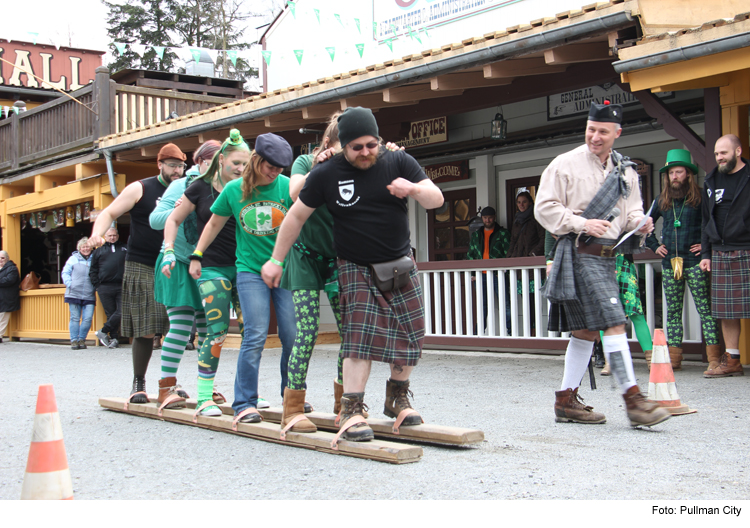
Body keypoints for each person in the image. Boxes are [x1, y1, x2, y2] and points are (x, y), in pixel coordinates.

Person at [262, 107, 444, 441]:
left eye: (371, 145)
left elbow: (436, 199)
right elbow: (295, 216)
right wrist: (276, 259)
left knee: (412, 334)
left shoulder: (398, 161)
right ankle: (351, 409)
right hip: (355, 266)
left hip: (399, 262)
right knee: (358, 340)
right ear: (343, 145)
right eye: (357, 147)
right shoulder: (327, 173)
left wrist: (414, 189)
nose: (365, 152)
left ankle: (397, 397)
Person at [535, 101, 670, 428]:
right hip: (579, 252)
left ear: (616, 134)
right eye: (591, 129)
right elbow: (544, 208)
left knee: (584, 331)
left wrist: (641, 224)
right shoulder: (564, 164)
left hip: (610, 255)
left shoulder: (626, 171)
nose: (595, 136)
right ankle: (634, 400)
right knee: (613, 322)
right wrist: (581, 223)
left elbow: (632, 212)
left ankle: (565, 400)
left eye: (603, 132)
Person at [191, 132, 295, 425]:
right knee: (255, 334)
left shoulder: (288, 187)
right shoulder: (234, 191)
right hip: (249, 271)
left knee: (292, 336)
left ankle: (292, 398)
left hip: (285, 271)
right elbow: (213, 224)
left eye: (280, 167)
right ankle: (245, 402)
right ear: (256, 160)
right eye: (270, 165)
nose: (275, 172)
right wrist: (198, 253)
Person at [89, 143, 185, 403]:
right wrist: (96, 234)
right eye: (172, 166)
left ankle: (170, 383)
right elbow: (109, 211)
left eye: (181, 166)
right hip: (142, 262)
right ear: (159, 164)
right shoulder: (140, 188)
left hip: (175, 262)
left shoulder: (188, 187)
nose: (177, 171)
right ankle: (138, 383)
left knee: (178, 325)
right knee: (145, 327)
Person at [164, 131, 249, 417]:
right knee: (217, 332)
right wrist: (168, 252)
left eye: (246, 164)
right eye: (237, 163)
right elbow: (173, 219)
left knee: (252, 331)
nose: (241, 169)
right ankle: (203, 398)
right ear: (221, 159)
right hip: (211, 266)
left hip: (244, 266)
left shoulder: (249, 186)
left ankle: (247, 397)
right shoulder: (199, 187)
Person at [282, 113, 345, 433]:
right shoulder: (306, 162)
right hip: (305, 258)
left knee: (350, 332)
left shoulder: (354, 164)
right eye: (342, 148)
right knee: (306, 333)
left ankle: (344, 404)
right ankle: (292, 408)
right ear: (327, 145)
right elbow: (294, 193)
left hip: (337, 260)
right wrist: (319, 167)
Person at [149, 143, 220, 410]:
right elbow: (156, 220)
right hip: (177, 262)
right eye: (212, 160)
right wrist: (180, 208)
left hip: (206, 264)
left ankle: (206, 387)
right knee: (180, 327)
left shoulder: (225, 186)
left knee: (209, 329)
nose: (218, 166)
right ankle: (166, 387)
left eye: (221, 160)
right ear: (200, 162)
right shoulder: (182, 185)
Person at [647, 149, 720, 373]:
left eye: (679, 172)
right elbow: (644, 225)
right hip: (670, 263)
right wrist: (654, 245)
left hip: (695, 262)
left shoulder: (700, 196)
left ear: (688, 174)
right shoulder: (660, 200)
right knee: (673, 312)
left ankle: (714, 359)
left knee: (704, 310)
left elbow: (711, 223)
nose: (675, 177)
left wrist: (704, 245)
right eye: (671, 173)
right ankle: (675, 358)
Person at [699, 134, 749, 378]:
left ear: (738, 151)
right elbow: (706, 220)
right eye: (717, 154)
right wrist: (706, 252)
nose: (719, 158)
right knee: (727, 310)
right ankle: (732, 359)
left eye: (724, 153)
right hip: (720, 251)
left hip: (747, 247)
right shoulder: (711, 180)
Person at [507, 189, 545, 335]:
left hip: (532, 267)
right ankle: (528, 331)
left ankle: (535, 331)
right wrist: (509, 259)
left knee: (533, 301)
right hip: (519, 268)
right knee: (525, 302)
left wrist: (533, 253)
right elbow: (513, 241)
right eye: (519, 202)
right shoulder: (517, 220)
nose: (521, 205)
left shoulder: (536, 218)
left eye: (524, 202)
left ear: (530, 203)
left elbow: (543, 239)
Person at [466, 206, 510, 333]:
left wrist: (502, 271)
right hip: (480, 276)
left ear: (494, 217)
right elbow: (471, 255)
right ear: (482, 219)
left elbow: (508, 254)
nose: (488, 220)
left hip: (497, 274)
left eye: (490, 217)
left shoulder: (503, 233)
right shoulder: (476, 235)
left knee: (505, 304)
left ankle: (511, 331)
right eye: (485, 218)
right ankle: (478, 333)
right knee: (482, 305)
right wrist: (473, 274)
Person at [90, 227, 126, 348]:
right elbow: (93, 270)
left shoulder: (125, 248)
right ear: (105, 237)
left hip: (121, 285)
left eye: (114, 235)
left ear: (118, 236)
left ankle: (103, 331)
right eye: (110, 236)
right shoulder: (98, 251)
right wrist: (97, 285)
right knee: (110, 313)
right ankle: (114, 338)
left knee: (122, 310)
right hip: (104, 286)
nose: (112, 238)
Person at [62, 238, 96, 350]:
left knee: (87, 318)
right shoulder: (73, 259)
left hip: (89, 293)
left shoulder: (94, 259)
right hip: (74, 293)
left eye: (87, 247)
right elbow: (65, 272)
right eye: (83, 247)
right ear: (79, 248)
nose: (86, 249)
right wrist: (70, 284)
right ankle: (74, 340)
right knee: (75, 317)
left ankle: (82, 339)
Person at [0, 250, 20, 343]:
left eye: (2, 258)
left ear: (7, 259)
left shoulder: (12, 268)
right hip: (1, 298)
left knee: (3, 317)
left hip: (7, 298)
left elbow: (9, 280)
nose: (0, 260)